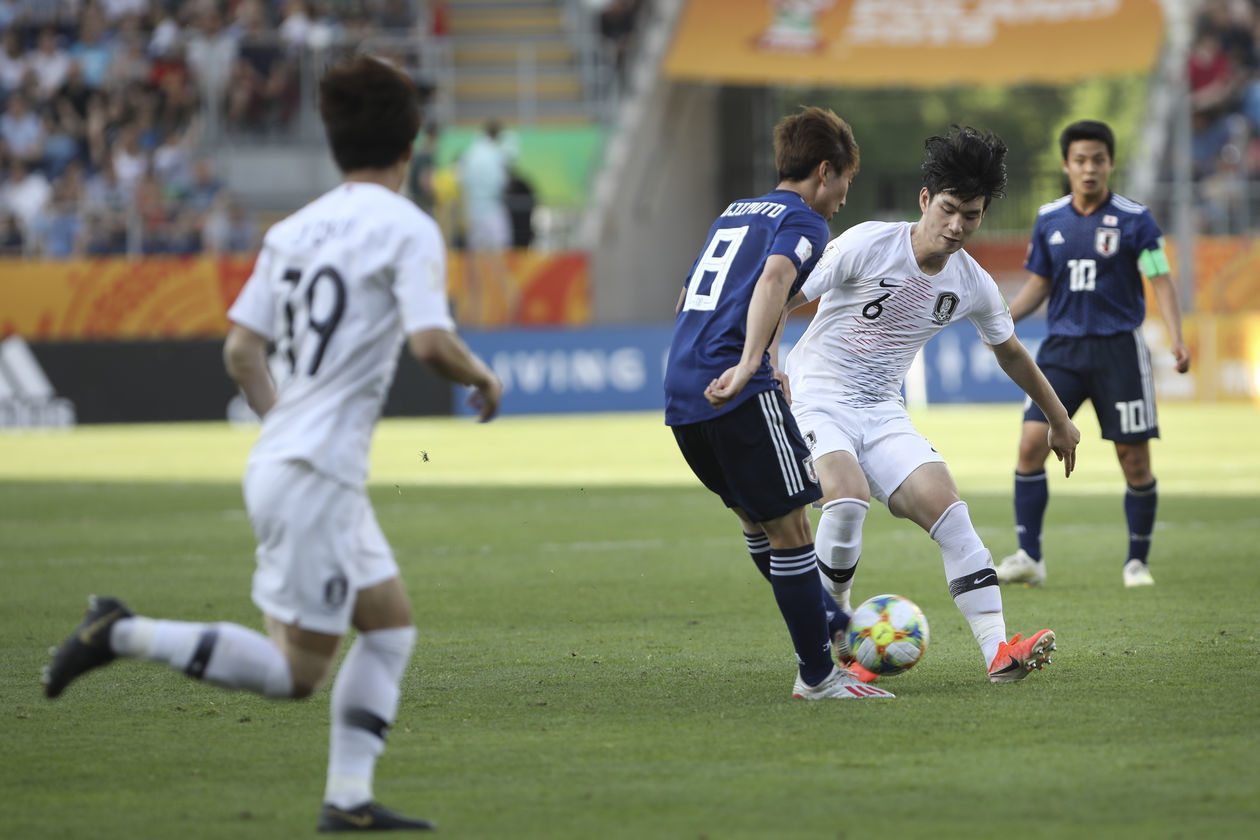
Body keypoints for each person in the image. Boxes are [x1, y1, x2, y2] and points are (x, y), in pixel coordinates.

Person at [43, 54, 503, 833]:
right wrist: (485, 378)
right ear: (413, 140)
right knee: (297, 672)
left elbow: (239, 351)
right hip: (315, 474)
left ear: (331, 140)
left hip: (298, 460)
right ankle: (119, 630)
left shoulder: (293, 228)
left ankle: (348, 801)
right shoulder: (408, 226)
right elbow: (430, 342)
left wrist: (284, 422)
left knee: (389, 627)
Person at [782, 126, 1080, 684]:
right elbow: (784, 294)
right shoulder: (867, 243)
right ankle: (828, 653)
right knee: (844, 501)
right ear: (925, 200)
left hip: (882, 412)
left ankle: (998, 654)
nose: (957, 226)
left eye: (972, 215)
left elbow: (1011, 353)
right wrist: (758, 360)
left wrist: (1059, 418)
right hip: (816, 401)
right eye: (948, 209)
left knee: (951, 513)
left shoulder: (972, 282)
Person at [664, 106, 893, 701]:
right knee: (791, 528)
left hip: (683, 390)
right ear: (826, 170)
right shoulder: (805, 221)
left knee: (760, 523)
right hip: (733, 387)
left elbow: (688, 292)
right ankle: (818, 675)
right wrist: (748, 367)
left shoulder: (734, 213)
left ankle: (837, 629)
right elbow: (772, 281)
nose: (844, 197)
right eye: (844, 180)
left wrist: (760, 359)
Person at [994, 120, 1191, 590]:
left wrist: (1176, 337)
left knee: (1134, 460)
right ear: (1066, 165)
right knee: (1029, 446)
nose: (1088, 169)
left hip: (1119, 349)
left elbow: (1159, 277)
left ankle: (1136, 563)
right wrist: (1001, 320)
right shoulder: (1049, 219)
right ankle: (1030, 557)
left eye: (1097, 160)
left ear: (1110, 164)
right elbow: (1041, 281)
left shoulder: (1136, 219)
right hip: (1061, 350)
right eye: (1080, 160)